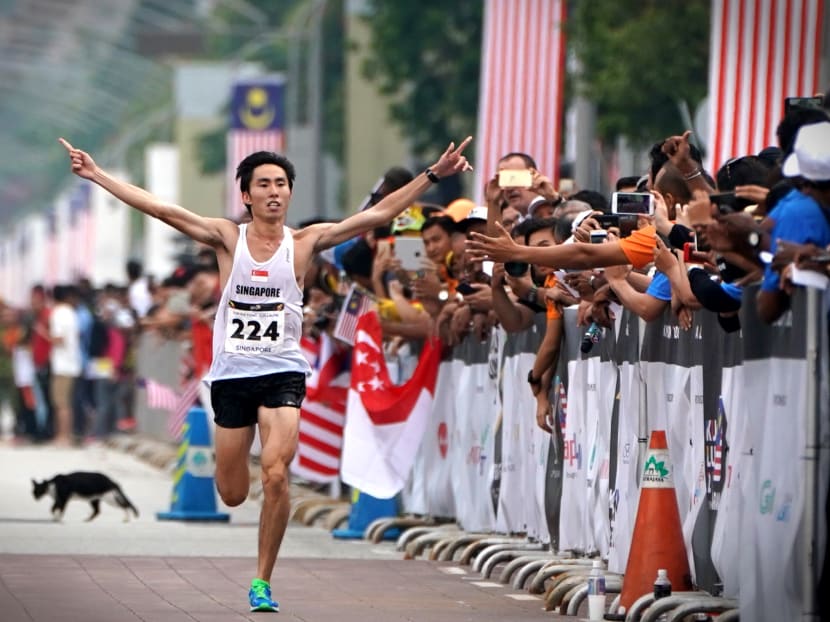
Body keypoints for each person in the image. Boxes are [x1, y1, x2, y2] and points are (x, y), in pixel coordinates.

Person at [59, 135, 472, 613]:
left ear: (289, 193)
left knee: (276, 475)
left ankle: (262, 581)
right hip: (232, 376)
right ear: (247, 195)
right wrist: (98, 176)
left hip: (284, 373)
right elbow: (162, 210)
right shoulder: (227, 238)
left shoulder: (306, 241)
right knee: (232, 492)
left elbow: (376, 217)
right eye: (264, 184)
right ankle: (235, 484)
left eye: (281, 183)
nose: (274, 192)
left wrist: (434, 175)